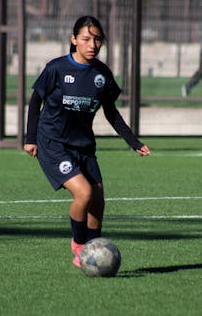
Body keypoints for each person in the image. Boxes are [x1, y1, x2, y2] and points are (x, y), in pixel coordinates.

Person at [24, 15, 150, 268]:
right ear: (74, 40)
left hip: (84, 146)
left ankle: (95, 255)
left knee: (98, 203)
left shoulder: (102, 74)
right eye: (86, 39)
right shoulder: (57, 68)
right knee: (84, 193)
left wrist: (133, 141)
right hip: (53, 143)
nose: (92, 44)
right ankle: (80, 246)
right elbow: (36, 100)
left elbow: (111, 112)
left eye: (97, 40)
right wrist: (30, 138)